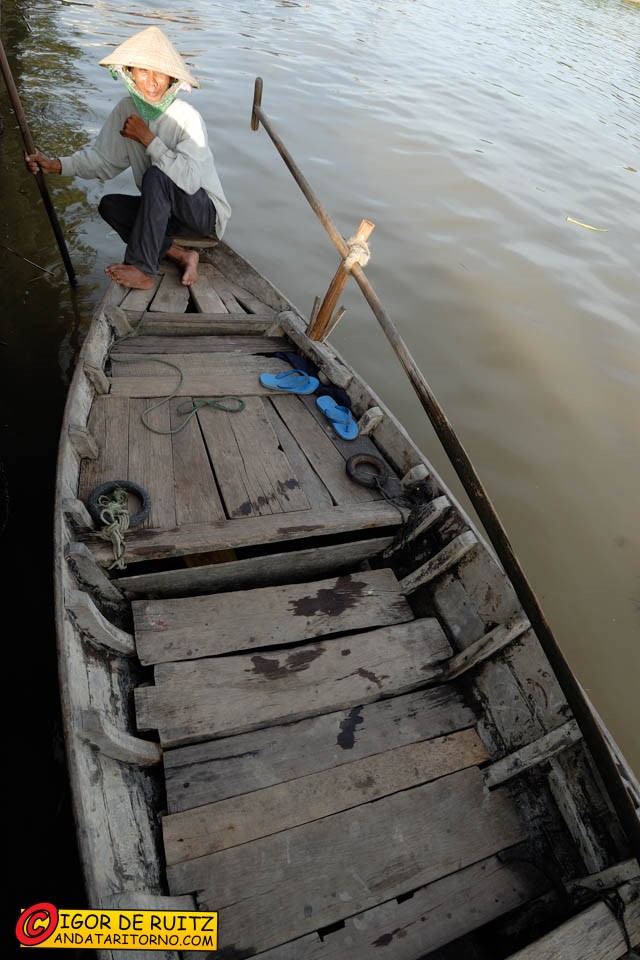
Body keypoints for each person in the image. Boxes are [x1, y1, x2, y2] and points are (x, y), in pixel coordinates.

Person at [25, 25, 231, 289]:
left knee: (157, 176)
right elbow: (102, 160)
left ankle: (143, 268)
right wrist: (56, 165)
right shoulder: (126, 109)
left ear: (172, 79)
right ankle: (183, 255)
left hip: (203, 216)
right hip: (166, 214)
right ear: (131, 74)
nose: (152, 81)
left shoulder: (187, 117)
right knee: (111, 206)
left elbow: (190, 182)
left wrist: (148, 139)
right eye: (143, 71)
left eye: (160, 74)